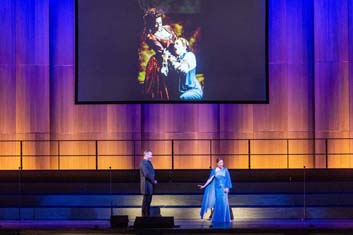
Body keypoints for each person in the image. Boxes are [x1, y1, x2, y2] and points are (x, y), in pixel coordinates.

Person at [142, 8, 177, 100]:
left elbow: (176, 41)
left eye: (160, 22)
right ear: (151, 23)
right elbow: (162, 51)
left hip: (174, 57)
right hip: (161, 62)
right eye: (155, 24)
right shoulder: (150, 36)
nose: (158, 26)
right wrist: (175, 62)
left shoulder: (168, 28)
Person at [199, 158, 232, 223]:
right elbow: (210, 179)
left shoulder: (225, 170)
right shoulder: (214, 170)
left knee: (224, 203)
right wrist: (204, 186)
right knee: (218, 203)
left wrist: (227, 187)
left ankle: (224, 219)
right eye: (220, 163)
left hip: (224, 189)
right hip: (217, 189)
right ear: (217, 163)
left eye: (222, 163)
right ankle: (217, 219)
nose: (221, 164)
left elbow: (228, 179)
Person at [140, 150, 157, 216]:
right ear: (146, 155)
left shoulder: (148, 162)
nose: (151, 156)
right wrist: (153, 180)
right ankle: (144, 216)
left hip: (149, 185)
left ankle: (147, 215)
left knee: (148, 201)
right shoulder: (143, 163)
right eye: (150, 155)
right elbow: (146, 174)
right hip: (146, 185)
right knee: (146, 201)